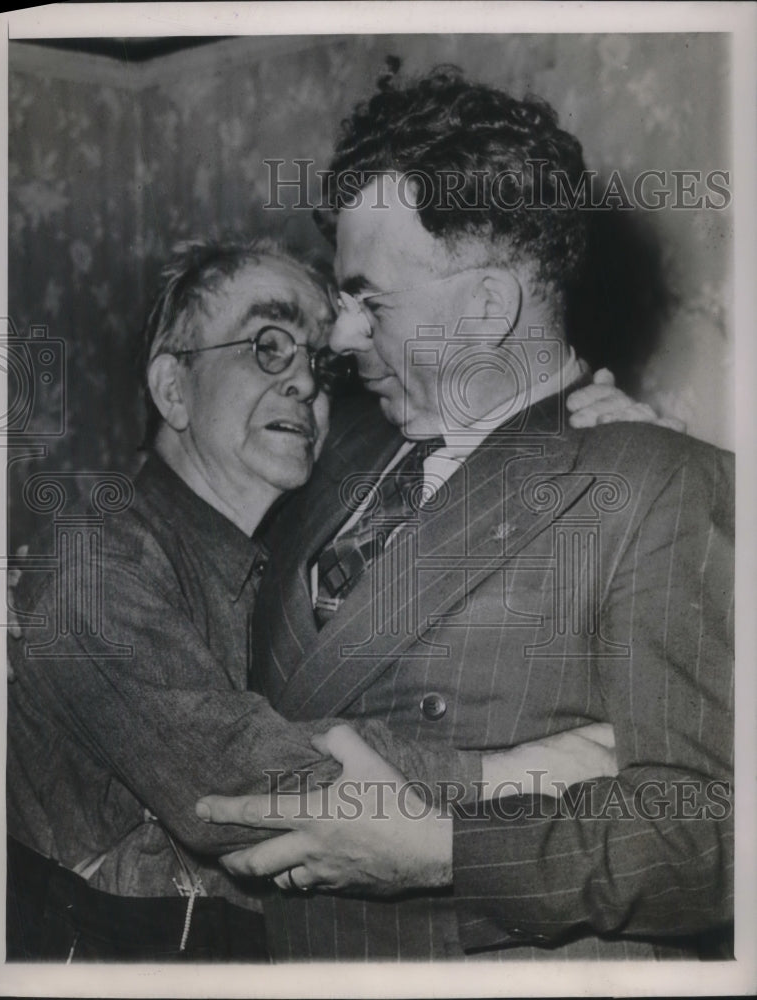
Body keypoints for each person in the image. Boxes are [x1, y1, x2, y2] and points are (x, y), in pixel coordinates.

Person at [194, 68, 735, 961]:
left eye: (372, 300)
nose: (344, 336)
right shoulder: (335, 458)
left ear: (486, 308)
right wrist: (499, 775)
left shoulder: (660, 483)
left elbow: (713, 836)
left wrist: (444, 851)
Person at [6, 238, 629, 961]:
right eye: (268, 344)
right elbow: (240, 785)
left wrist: (608, 437)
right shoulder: (95, 559)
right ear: (173, 390)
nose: (304, 380)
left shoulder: (293, 558)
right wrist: (518, 776)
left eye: (319, 361)